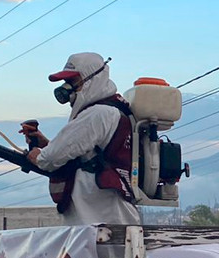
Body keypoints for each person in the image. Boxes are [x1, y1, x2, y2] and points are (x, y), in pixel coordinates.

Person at [24, 52, 141, 225]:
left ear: (92, 79)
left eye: (72, 82)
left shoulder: (97, 113)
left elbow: (50, 158)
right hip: (105, 214)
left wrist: (37, 155)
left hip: (98, 216)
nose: (66, 88)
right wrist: (47, 144)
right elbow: (83, 153)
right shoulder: (114, 110)